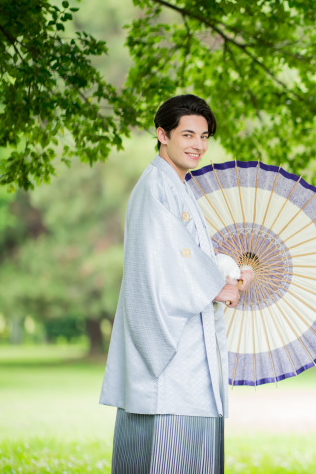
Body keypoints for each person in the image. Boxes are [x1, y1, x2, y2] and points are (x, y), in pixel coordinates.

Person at [100, 94, 253, 473]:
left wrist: (228, 273)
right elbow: (165, 260)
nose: (198, 145)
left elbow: (190, 254)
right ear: (162, 134)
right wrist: (217, 287)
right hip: (172, 352)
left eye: (204, 136)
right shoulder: (156, 186)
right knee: (165, 453)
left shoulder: (178, 186)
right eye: (188, 134)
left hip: (189, 346)